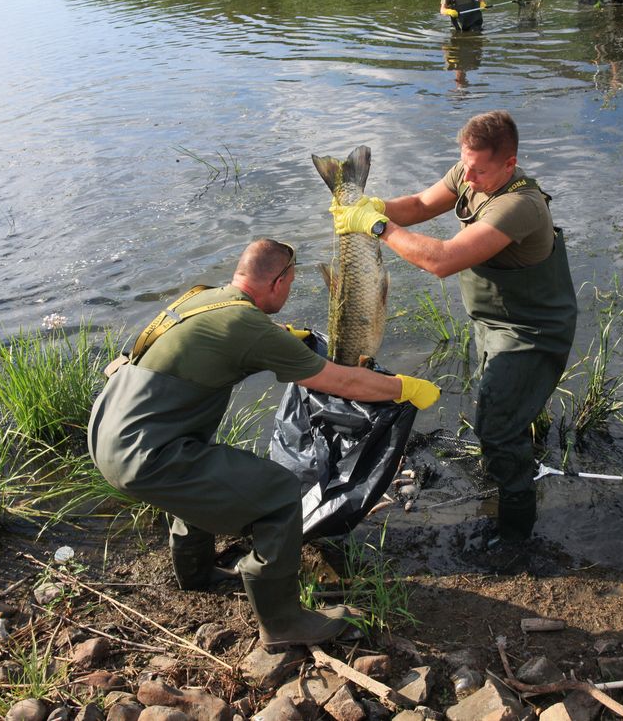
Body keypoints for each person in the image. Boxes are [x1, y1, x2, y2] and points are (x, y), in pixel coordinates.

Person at [87, 239, 439, 649]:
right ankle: (283, 622)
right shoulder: (246, 326)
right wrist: (405, 387)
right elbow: (340, 381)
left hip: (108, 435)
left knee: (201, 476)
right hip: (145, 456)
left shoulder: (204, 299)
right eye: (290, 284)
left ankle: (197, 573)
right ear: (279, 280)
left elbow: (240, 335)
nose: (289, 293)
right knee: (279, 493)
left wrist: (284, 338)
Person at [329, 111, 577, 547]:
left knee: (497, 429)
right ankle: (507, 468)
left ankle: (516, 536)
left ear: (509, 163)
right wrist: (368, 207)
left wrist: (377, 226)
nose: (468, 175)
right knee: (502, 413)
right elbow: (422, 206)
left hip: (531, 331)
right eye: (464, 164)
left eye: (479, 169)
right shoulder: (470, 173)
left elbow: (441, 260)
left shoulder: (519, 205)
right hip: (493, 320)